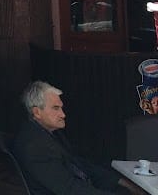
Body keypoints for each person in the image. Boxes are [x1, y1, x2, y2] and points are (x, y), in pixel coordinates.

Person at [13, 81, 142, 195]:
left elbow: (80, 165)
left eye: (61, 108)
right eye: (55, 108)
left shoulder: (48, 134)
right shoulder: (34, 146)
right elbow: (70, 189)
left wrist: (122, 182)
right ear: (37, 112)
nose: (63, 114)